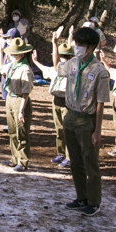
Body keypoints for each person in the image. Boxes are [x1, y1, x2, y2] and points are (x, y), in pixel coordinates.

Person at [57, 27, 110, 216]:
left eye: (82, 45)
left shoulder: (99, 71)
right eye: (76, 43)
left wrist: (97, 130)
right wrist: (54, 45)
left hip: (87, 120)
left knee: (90, 163)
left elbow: (101, 103)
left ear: (92, 47)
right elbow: (58, 70)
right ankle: (81, 197)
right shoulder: (73, 63)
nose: (77, 47)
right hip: (70, 116)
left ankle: (94, 201)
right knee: (75, 162)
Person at [32, 27, 73, 168]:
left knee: (68, 130)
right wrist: (36, 61)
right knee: (59, 129)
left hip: (68, 102)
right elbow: (47, 69)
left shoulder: (72, 69)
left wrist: (54, 43)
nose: (63, 59)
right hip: (56, 100)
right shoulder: (58, 68)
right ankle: (61, 153)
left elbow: (55, 64)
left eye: (65, 56)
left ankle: (69, 156)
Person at [0, 38, 34, 172]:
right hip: (10, 97)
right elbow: (1, 68)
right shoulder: (13, 66)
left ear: (22, 54)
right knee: (12, 131)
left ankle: (23, 160)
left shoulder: (25, 69)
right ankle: (14, 158)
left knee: (22, 132)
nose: (12, 56)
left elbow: (26, 93)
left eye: (14, 54)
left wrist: (21, 110)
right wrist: (0, 51)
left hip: (20, 100)